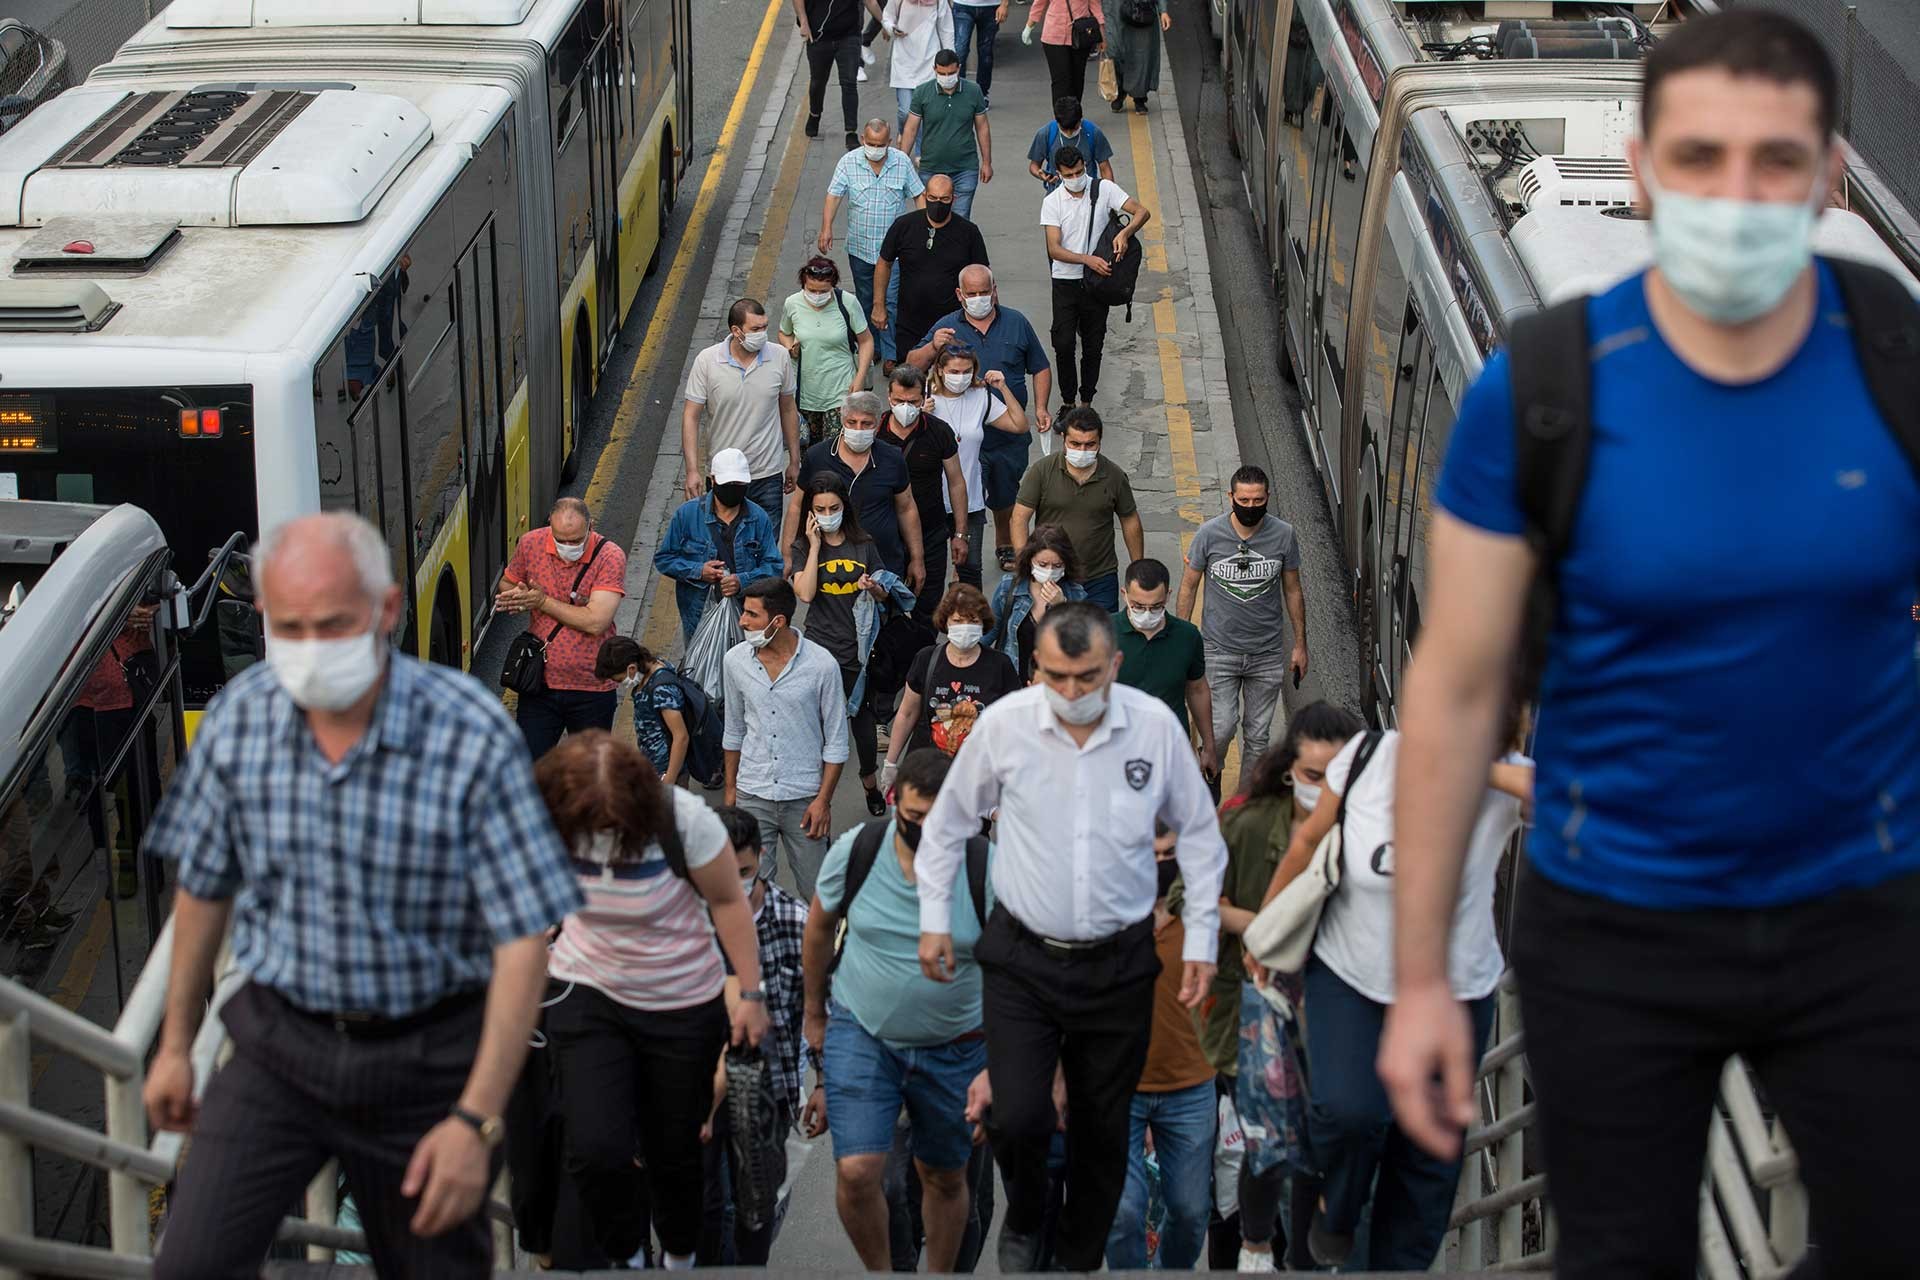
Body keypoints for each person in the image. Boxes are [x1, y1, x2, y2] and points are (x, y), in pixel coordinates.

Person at [1378, 14, 1920, 1280]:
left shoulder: (1892, 354)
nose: (1737, 196)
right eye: (1701, 158)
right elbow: (1457, 688)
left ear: (1830, 173)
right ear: (1641, 169)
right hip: (1620, 917)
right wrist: (1418, 980)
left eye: (1775, 161)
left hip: (1861, 911)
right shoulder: (1547, 388)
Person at [142, 513, 584, 1279]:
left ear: (384, 610)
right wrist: (177, 1047)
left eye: (333, 624)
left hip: (427, 1061)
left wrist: (473, 1120)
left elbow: (522, 942)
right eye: (290, 628)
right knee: (189, 1263)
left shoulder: (469, 732)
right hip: (279, 1047)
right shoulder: (240, 721)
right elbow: (204, 889)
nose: (311, 649)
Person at [916, 601, 1228, 1273]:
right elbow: (946, 828)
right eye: (1055, 676)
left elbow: (1201, 838)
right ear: (1037, 668)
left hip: (1118, 966)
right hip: (1023, 960)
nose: (1070, 693)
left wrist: (1201, 939)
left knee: (1102, 1131)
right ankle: (1026, 1217)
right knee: (1022, 1116)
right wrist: (935, 919)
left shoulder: (1154, 731)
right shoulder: (1004, 728)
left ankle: (1081, 1255)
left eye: (1085, 678)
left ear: (1113, 666)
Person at [1260, 713, 1530, 1269]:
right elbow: (1309, 839)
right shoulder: (1368, 756)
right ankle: (1333, 1214)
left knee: (1427, 1158)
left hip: (1453, 993)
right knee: (1348, 1114)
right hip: (1350, 977)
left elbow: (1588, 801)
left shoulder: (1506, 779)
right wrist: (1266, 931)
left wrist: (1484, 770)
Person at [535, 731, 768, 1269]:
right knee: (594, 1148)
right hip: (590, 989)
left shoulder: (686, 821)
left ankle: (679, 1257)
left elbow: (730, 902)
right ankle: (627, 1256)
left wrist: (751, 994)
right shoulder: (552, 816)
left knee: (676, 1152)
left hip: (680, 997)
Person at [804, 748, 996, 1273]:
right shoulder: (859, 850)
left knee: (944, 1176)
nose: (926, 831)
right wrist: (814, 1013)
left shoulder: (985, 867)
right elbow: (819, 930)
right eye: (913, 819)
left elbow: (1019, 972)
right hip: (864, 1033)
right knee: (860, 1172)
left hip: (957, 1045)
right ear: (894, 804)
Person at [1207, 702, 1365, 1273]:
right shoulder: (1246, 825)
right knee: (1258, 1145)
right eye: (1312, 777)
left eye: (1338, 778)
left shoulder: (1367, 838)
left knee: (1314, 1152)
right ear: (1288, 771)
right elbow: (1194, 900)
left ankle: (1298, 1258)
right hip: (1253, 1011)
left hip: (1333, 1014)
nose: (1324, 790)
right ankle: (1247, 1248)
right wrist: (1265, 930)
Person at [699, 806, 811, 1267]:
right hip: (702, 1093)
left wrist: (814, 1084)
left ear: (762, 858)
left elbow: (814, 1012)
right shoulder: (689, 922)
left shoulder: (795, 921)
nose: (733, 886)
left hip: (768, 1095)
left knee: (754, 1209)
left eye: (742, 872)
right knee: (710, 1210)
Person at [1104, 836, 1216, 1272]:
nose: (1161, 864)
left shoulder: (1205, 913)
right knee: (1123, 1212)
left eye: (1170, 855)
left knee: (1190, 1213)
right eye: (1151, 855)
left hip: (1190, 1087)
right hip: (1119, 1090)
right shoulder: (1103, 913)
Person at [905, 266, 1053, 573]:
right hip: (959, 440)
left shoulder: (1016, 323)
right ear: (960, 295)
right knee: (963, 495)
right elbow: (911, 364)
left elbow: (1039, 366)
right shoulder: (945, 327)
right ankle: (954, 557)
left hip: (1003, 433)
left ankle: (1005, 543)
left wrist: (1041, 407)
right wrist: (933, 346)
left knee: (1005, 493)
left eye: (984, 292)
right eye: (971, 294)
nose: (979, 299)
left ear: (995, 289)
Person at [1177, 466, 1307, 788]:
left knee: (1258, 737)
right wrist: (1180, 639)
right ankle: (1211, 767)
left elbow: (1292, 589)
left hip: (1266, 653)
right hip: (1218, 651)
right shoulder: (1209, 534)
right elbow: (1189, 585)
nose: (1251, 506)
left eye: (1258, 500)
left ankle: (1245, 803)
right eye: (1244, 499)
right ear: (1231, 497)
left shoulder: (1284, 535)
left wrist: (1300, 645)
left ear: (1267, 498)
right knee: (1219, 728)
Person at [723, 577, 850, 901]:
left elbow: (836, 742)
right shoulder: (735, 661)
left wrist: (823, 801)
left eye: (752, 614)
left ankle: (821, 952)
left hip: (805, 799)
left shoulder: (822, 666)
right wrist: (731, 793)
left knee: (819, 895)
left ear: (777, 621)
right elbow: (734, 730)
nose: (742, 621)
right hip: (753, 793)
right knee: (750, 893)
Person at [790, 472, 895, 818]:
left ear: (844, 507)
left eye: (833, 507)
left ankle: (870, 784)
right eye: (820, 508)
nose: (827, 513)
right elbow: (805, 593)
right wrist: (815, 544)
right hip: (819, 650)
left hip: (857, 652)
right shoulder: (803, 547)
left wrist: (875, 588)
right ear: (811, 512)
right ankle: (817, 795)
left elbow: (884, 592)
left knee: (861, 725)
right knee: (816, 726)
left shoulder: (864, 543)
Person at [497, 497, 627, 759]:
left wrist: (542, 602)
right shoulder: (530, 543)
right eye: (561, 540)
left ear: (591, 527)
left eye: (575, 541)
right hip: (540, 685)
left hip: (592, 687)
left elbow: (595, 622)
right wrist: (519, 596)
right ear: (549, 527)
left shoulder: (610, 556)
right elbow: (507, 583)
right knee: (530, 769)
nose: (568, 547)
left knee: (590, 776)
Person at [1041, 148, 1151, 411]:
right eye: (1069, 174)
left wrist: (1125, 233)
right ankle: (1068, 402)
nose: (1076, 177)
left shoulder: (1105, 189)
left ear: (1085, 166)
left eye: (1079, 171)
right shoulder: (1052, 202)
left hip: (1097, 283)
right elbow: (1054, 249)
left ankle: (1086, 402)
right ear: (1059, 175)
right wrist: (1087, 259)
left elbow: (1142, 212)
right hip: (1066, 281)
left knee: (1093, 345)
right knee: (1064, 343)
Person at [786, 390, 926, 589]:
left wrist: (917, 559)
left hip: (883, 566)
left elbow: (906, 509)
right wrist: (787, 556)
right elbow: (796, 507)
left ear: (877, 426)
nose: (858, 429)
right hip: (831, 569)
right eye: (852, 423)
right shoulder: (818, 457)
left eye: (866, 424)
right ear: (843, 421)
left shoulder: (892, 458)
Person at [882, 584, 1022, 778]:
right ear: (945, 622)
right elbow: (907, 713)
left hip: (979, 774)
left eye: (973, 621)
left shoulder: (999, 665)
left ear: (983, 624)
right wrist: (890, 762)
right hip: (926, 770)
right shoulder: (926, 658)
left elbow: (1014, 721)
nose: (965, 627)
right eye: (958, 620)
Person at [1011, 408, 1143, 612]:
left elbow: (1130, 520)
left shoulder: (1114, 476)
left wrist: (1138, 569)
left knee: (1101, 638)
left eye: (1090, 444)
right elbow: (1019, 518)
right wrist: (1026, 565)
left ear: (1100, 442)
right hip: (1054, 576)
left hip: (1099, 578)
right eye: (1075, 444)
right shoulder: (1042, 471)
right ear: (1063, 438)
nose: (1082, 450)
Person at [821, 120, 925, 372]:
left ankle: (890, 354)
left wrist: (925, 230)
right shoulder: (848, 162)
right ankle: (873, 347)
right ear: (862, 139)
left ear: (889, 143)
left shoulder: (901, 162)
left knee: (889, 301)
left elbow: (918, 194)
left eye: (881, 145)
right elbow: (834, 195)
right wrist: (827, 227)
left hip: (894, 253)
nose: (876, 149)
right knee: (866, 299)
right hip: (860, 247)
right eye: (871, 144)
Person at [684, 299, 803, 517]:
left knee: (765, 548)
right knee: (724, 546)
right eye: (756, 329)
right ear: (736, 331)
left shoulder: (779, 357)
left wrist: (794, 461)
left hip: (767, 474)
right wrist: (692, 470)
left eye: (765, 327)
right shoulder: (707, 361)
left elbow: (788, 409)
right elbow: (691, 417)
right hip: (723, 475)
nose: (763, 334)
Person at [654, 446, 784, 645]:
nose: (733, 488)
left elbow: (774, 566)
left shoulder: (758, 518)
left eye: (738, 483)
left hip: (746, 618)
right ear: (712, 480)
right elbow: (665, 559)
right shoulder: (687, 514)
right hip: (699, 619)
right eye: (727, 483)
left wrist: (742, 581)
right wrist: (699, 571)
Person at [873, 176, 990, 387]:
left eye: (944, 199)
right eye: (933, 198)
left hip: (952, 324)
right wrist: (879, 305)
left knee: (951, 378)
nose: (938, 204)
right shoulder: (904, 226)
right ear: (925, 196)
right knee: (910, 380)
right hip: (909, 322)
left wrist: (988, 314)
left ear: (953, 199)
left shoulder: (968, 232)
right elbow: (884, 262)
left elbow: (983, 275)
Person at [878, 365, 970, 621]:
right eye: (898, 401)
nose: (905, 407)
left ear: (924, 398)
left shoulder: (939, 431)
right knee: (885, 606)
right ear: (889, 397)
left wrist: (960, 533)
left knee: (928, 604)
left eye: (912, 401)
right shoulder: (874, 432)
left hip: (931, 533)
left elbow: (956, 482)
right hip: (887, 536)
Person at [931, 342, 1026, 588]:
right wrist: (918, 413)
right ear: (940, 370)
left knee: (970, 571)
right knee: (931, 571)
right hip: (931, 499)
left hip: (970, 499)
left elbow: (1019, 425)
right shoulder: (927, 396)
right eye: (954, 372)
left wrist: (1003, 388)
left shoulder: (981, 397)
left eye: (966, 372)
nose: (960, 377)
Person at [1115, 558, 1215, 778]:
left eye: (1156, 607)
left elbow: (1197, 689)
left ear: (1168, 596)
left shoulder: (1188, 636)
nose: (1147, 614)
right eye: (1138, 606)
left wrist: (1208, 746)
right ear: (1125, 594)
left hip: (1171, 750)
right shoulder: (1102, 632)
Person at [782, 256, 877, 448]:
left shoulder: (848, 303)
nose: (817, 295)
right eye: (812, 290)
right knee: (809, 452)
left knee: (835, 449)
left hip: (840, 390)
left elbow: (866, 340)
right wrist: (789, 346)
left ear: (833, 286)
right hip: (806, 393)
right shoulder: (792, 304)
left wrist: (859, 378)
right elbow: (784, 332)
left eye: (823, 291)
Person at [899, 49, 993, 220]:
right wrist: (901, 162)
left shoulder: (973, 91)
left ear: (959, 68)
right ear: (934, 69)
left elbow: (982, 127)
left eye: (951, 72)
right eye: (942, 73)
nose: (947, 77)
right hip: (931, 168)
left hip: (965, 168)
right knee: (930, 219)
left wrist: (987, 163)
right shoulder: (922, 92)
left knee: (960, 219)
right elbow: (911, 129)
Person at [987, 525, 1086, 681]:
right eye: (1043, 565)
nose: (1049, 571)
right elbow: (990, 631)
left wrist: (1062, 607)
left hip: (1055, 683)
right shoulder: (1009, 588)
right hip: (1013, 681)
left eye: (1057, 566)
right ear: (1030, 559)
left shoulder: (1075, 594)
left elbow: (1080, 644)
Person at [594, 636, 694, 787]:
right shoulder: (652, 669)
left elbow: (681, 736)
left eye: (620, 680)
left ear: (632, 668)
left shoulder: (661, 689)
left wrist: (670, 779)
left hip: (666, 772)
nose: (621, 684)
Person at [796, 0, 891, 150]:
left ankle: (850, 131)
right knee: (818, 82)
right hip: (819, 37)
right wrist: (803, 22)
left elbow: (870, 1)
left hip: (849, 36)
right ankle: (815, 114)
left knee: (849, 84)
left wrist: (884, 23)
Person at [881, 0, 957, 137]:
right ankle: (903, 133)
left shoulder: (939, 2)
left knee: (925, 112)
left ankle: (919, 152)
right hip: (904, 62)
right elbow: (887, 17)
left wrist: (951, 59)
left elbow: (946, 29)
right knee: (905, 111)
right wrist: (892, 28)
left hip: (929, 60)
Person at [1026, 95, 1115, 193]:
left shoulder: (1094, 133)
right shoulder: (1045, 134)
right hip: (1057, 194)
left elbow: (1105, 168)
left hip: (1089, 195)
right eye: (1065, 129)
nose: (1069, 133)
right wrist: (1041, 175)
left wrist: (1109, 196)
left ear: (1080, 120)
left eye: (1074, 128)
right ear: (1057, 121)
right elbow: (1034, 166)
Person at [1024, 0, 1105, 107]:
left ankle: (1074, 117)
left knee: (1077, 80)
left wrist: (1102, 34)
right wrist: (1029, 26)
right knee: (1060, 82)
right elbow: (1040, 3)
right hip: (1053, 36)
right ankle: (1062, 119)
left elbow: (1095, 5)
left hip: (1081, 35)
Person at [1104, 0, 1170, 113]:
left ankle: (1139, 97)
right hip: (1113, 11)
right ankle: (1120, 89)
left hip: (1142, 8)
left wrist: (1163, 10)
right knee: (1114, 52)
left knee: (1142, 55)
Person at [950, 0, 1007, 105]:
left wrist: (1004, 4)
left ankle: (982, 94)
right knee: (960, 51)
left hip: (991, 6)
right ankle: (957, 92)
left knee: (986, 53)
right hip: (963, 5)